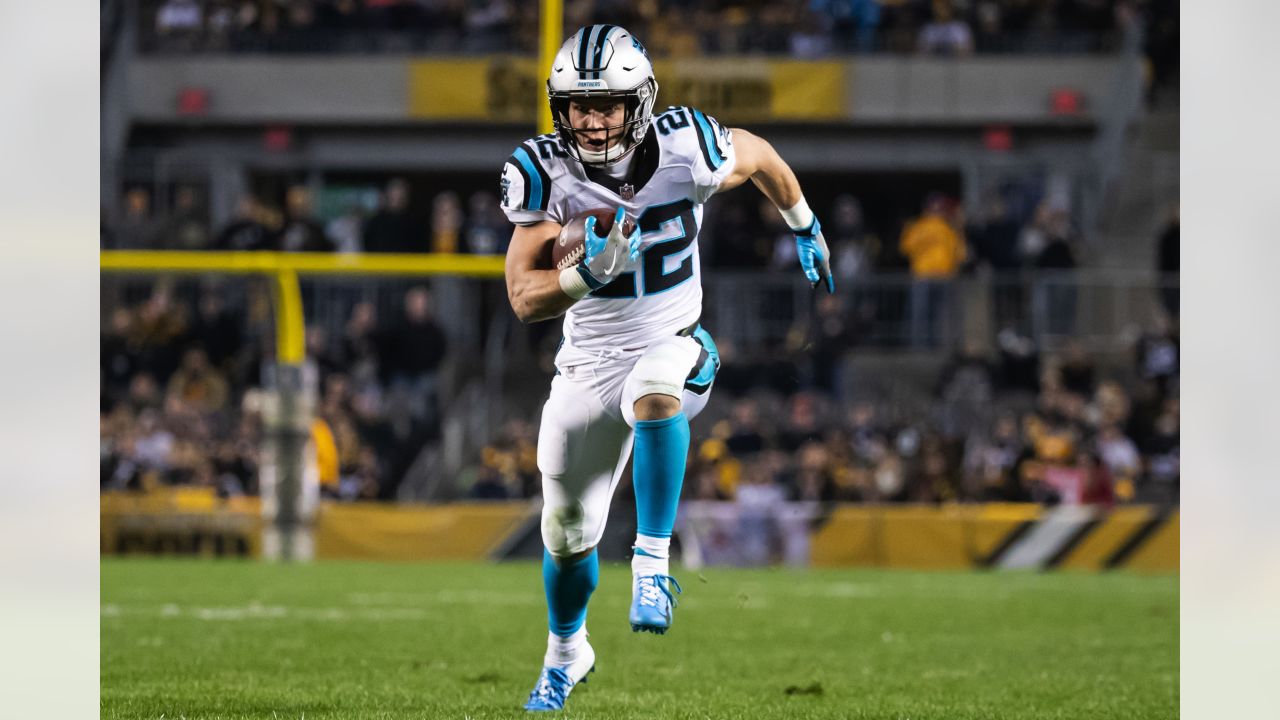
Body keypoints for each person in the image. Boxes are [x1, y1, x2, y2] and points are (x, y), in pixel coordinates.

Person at [499, 24, 834, 712]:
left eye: (608, 105)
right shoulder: (545, 172)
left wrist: (804, 224)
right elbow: (522, 296)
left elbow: (762, 155)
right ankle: (567, 652)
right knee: (565, 537)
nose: (592, 122)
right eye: (578, 106)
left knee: (657, 389)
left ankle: (652, 560)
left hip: (675, 339)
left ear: (641, 100)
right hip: (587, 364)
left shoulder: (688, 148)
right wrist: (584, 277)